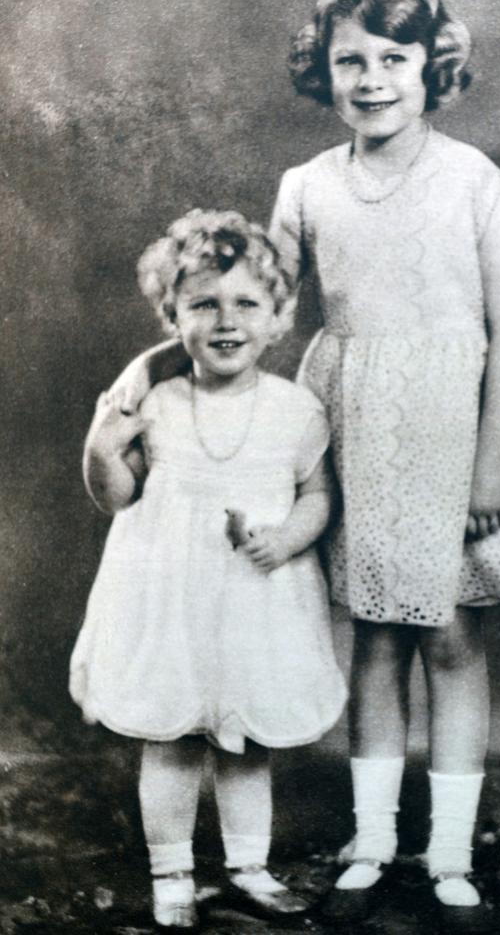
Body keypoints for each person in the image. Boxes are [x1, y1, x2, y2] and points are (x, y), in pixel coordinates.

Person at [268, 0, 500, 923]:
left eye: (394, 58)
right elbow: (259, 317)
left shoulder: (473, 180)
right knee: (376, 635)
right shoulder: (306, 186)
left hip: (456, 429)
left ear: (432, 67)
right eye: (351, 60)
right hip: (356, 428)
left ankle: (444, 847)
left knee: (451, 636)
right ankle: (376, 833)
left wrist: (486, 465)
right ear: (327, 72)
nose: (373, 78)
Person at [69, 209, 347, 928]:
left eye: (248, 303)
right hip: (169, 594)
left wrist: (288, 538)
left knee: (246, 740)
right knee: (173, 736)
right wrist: (102, 448)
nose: (228, 321)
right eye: (203, 304)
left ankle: (249, 868)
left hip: (257, 596)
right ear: (173, 316)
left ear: (280, 315)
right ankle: (172, 877)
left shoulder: (297, 410)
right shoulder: (156, 404)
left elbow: (318, 496)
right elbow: (116, 497)